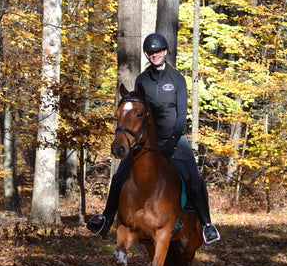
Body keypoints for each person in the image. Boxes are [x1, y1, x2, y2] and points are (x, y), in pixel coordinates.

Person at [87, 33, 220, 244]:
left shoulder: (177, 80)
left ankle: (207, 225)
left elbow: (181, 115)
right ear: (147, 56)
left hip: (174, 138)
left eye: (158, 51)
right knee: (119, 176)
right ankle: (106, 218)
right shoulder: (142, 80)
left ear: (165, 52)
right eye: (151, 52)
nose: (155, 55)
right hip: (146, 141)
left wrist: (172, 140)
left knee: (194, 178)